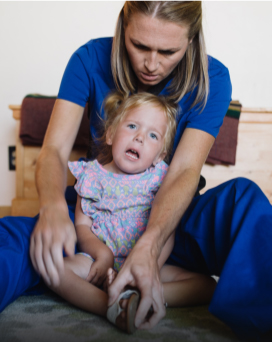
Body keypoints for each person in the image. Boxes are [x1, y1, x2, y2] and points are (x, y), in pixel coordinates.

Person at [0, 2, 271, 340]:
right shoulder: (87, 58)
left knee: (245, 199)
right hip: (98, 221)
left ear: (191, 40)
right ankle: (111, 296)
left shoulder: (214, 79)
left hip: (171, 218)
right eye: (140, 45)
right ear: (123, 26)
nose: (151, 64)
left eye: (168, 51)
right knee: (13, 238)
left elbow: (184, 170)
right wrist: (52, 207)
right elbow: (54, 149)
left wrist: (151, 245)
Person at [47, 92, 216, 333]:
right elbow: (82, 226)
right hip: (99, 261)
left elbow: (167, 232)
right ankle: (108, 304)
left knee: (206, 285)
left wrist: (152, 268)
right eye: (133, 126)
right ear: (111, 134)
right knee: (53, 269)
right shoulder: (91, 176)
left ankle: (144, 295)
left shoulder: (161, 180)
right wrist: (102, 255)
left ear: (160, 156)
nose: (139, 138)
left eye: (153, 135)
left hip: (145, 261)